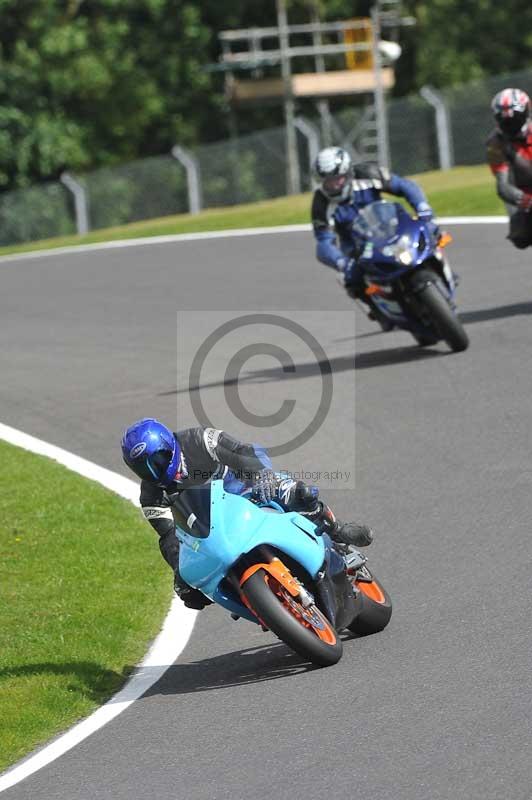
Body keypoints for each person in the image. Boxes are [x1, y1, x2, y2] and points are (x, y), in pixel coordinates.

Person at [121, 418, 373, 610]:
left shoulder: (201, 439)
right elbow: (169, 538)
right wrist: (179, 574)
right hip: (215, 531)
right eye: (144, 469)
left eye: (158, 460)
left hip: (249, 491)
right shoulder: (150, 498)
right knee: (199, 581)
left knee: (298, 493)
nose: (155, 472)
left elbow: (244, 451)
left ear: (169, 446)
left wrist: (260, 475)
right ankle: (262, 606)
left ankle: (337, 531)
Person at [311, 147, 436, 326]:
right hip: (358, 248)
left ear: (347, 173)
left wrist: (423, 208)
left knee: (430, 233)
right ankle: (377, 310)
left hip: (392, 229)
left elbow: (405, 186)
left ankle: (441, 268)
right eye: (327, 181)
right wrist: (341, 261)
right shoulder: (321, 203)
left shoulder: (368, 174)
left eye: (337, 179)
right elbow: (323, 242)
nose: (333, 185)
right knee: (352, 279)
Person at [487, 88, 532, 249]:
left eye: (515, 119)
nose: (510, 125)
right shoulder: (495, 144)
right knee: (520, 236)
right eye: (505, 120)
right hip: (521, 191)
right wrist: (527, 201)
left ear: (525, 112)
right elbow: (503, 185)